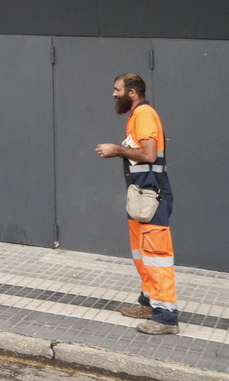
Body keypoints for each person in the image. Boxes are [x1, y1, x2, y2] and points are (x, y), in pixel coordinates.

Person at [95, 73, 178, 335]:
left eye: (116, 89)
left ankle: (166, 317)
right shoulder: (135, 116)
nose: (113, 94)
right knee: (142, 253)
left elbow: (149, 154)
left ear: (132, 92)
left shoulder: (144, 114)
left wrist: (116, 150)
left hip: (152, 196)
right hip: (141, 195)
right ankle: (150, 303)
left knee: (156, 256)